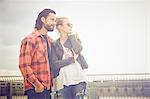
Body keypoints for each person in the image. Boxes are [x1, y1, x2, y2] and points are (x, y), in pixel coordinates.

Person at [19, 8, 57, 99]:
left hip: (47, 89)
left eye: (55, 20)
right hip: (35, 89)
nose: (54, 23)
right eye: (52, 19)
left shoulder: (50, 40)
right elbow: (24, 65)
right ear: (43, 20)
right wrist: (37, 84)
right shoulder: (30, 39)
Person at [51, 17, 88, 99]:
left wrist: (72, 36)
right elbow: (55, 64)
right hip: (64, 81)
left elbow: (78, 50)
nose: (71, 26)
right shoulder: (54, 44)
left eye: (71, 24)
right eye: (68, 24)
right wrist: (71, 59)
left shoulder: (74, 38)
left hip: (79, 80)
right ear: (60, 27)